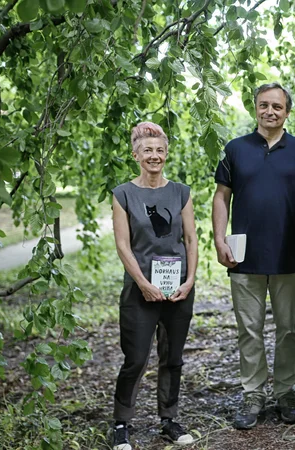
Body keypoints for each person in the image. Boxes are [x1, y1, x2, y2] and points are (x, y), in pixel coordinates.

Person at [213, 82, 295, 429]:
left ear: (287, 112)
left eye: (277, 106)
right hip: (244, 257)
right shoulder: (235, 149)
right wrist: (218, 239)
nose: (269, 111)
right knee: (249, 330)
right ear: (255, 108)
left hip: (289, 255)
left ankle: (286, 393)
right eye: (263, 105)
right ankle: (253, 394)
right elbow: (221, 197)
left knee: (288, 330)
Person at [111, 122, 197, 450]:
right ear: (135, 155)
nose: (154, 156)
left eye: (160, 150)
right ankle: (121, 423)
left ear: (166, 154)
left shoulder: (181, 192)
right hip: (140, 290)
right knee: (135, 358)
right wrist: (143, 283)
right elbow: (123, 245)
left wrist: (189, 281)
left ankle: (169, 419)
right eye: (147, 150)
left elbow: (190, 238)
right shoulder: (123, 194)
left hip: (178, 290)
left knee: (172, 357)